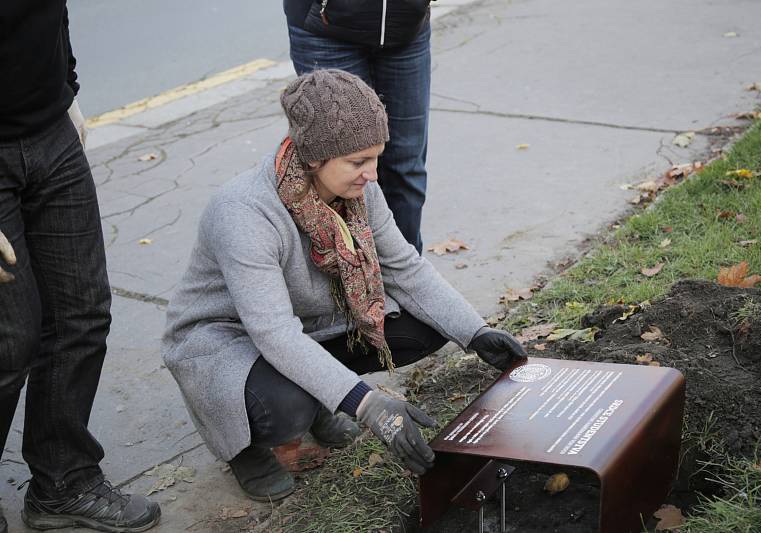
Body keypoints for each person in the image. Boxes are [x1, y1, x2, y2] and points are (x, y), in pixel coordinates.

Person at [162, 69, 527, 501]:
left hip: (307, 322)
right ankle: (245, 447)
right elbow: (272, 333)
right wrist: (366, 404)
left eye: (375, 158)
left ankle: (318, 396)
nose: (371, 174)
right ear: (315, 158)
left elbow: (405, 268)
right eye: (358, 162)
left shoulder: (356, 189)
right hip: (227, 339)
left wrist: (475, 331)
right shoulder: (243, 213)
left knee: (425, 327)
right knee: (285, 411)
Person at [0, 3, 161, 532]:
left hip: (51, 130)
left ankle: (63, 482)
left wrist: (66, 88)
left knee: (82, 314)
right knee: (10, 339)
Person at [283, 0, 433, 254]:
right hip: (325, 25)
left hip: (407, 23)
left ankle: (405, 280)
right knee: (338, 169)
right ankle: (347, 281)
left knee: (406, 168)